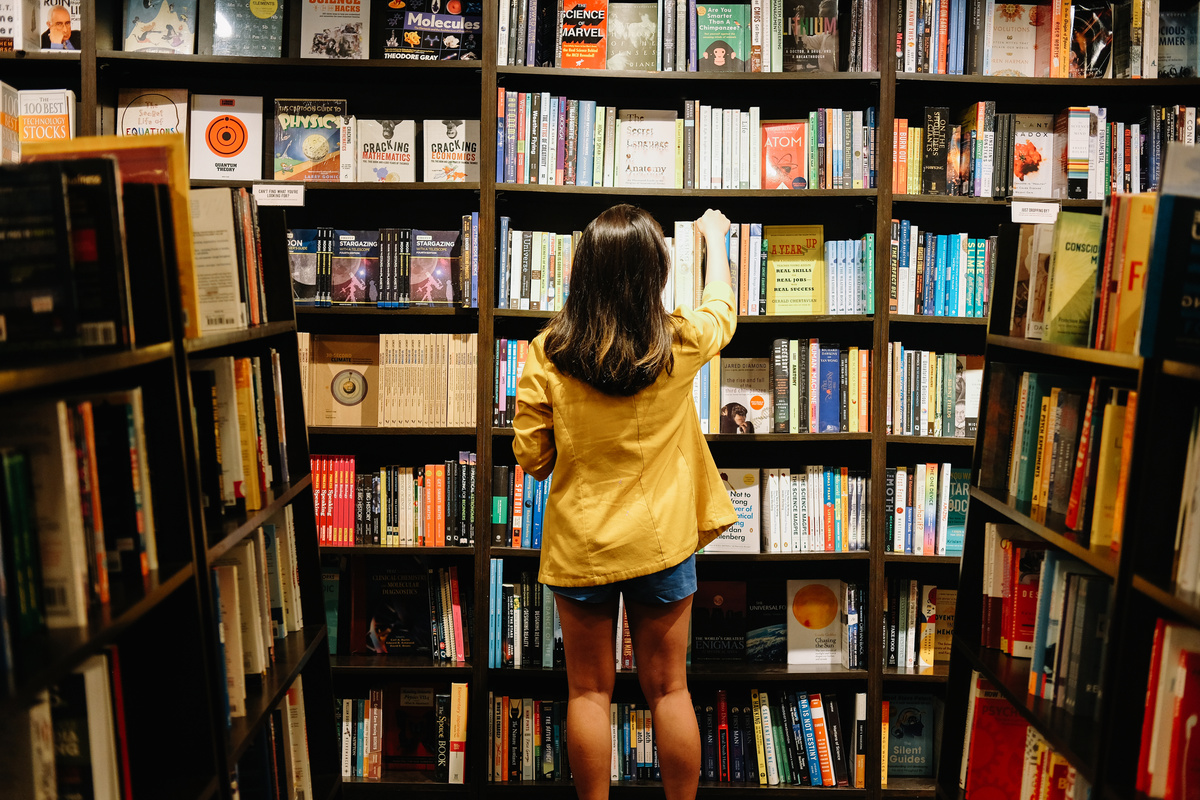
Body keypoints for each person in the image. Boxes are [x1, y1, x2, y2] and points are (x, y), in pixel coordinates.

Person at [513, 204, 738, 800]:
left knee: (588, 692)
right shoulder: (677, 344)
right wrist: (715, 238)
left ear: (584, 271)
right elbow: (722, 309)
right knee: (669, 690)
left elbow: (532, 458)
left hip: (581, 544)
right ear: (654, 274)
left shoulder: (548, 352)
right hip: (663, 542)